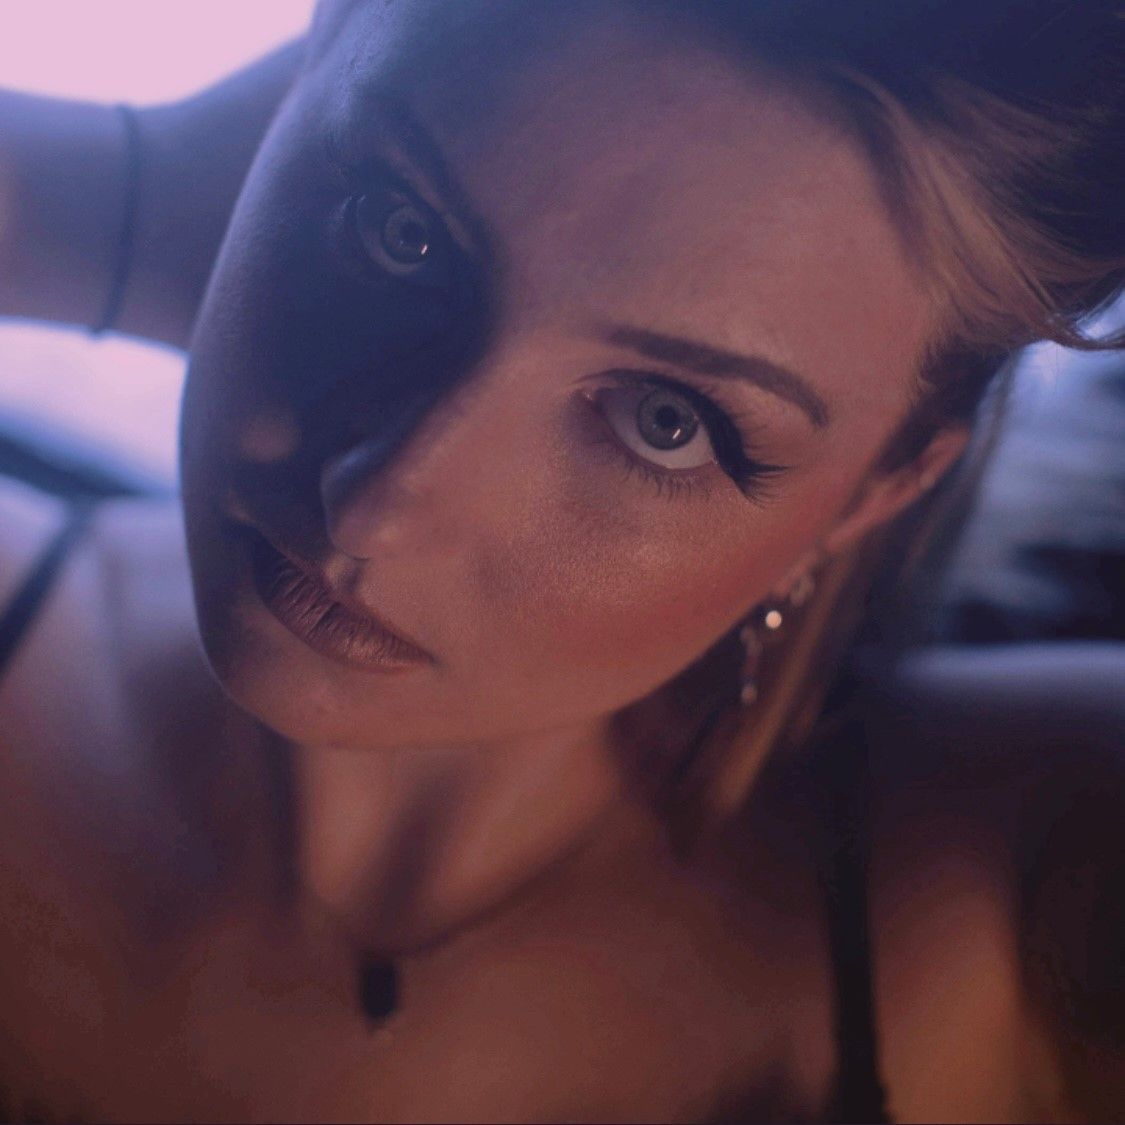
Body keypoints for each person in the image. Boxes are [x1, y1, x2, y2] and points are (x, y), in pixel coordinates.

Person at [0, 1, 1123, 1120]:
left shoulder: (1017, 875)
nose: (374, 506)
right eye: (400, 233)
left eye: (665, 422)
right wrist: (118, 189)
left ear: (881, 489)